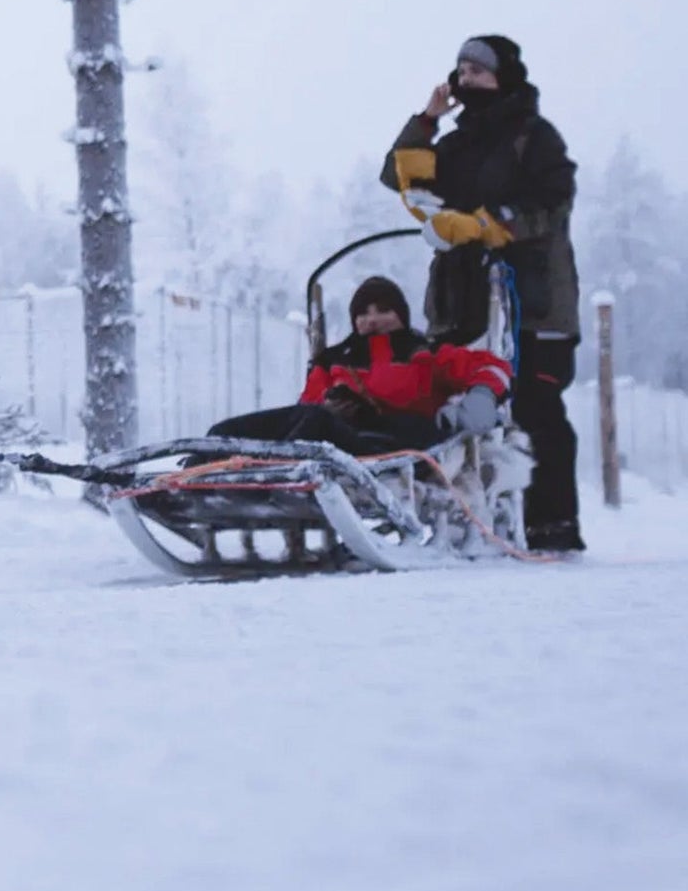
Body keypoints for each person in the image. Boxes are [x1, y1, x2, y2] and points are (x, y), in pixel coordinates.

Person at [380, 34, 583, 551]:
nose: (467, 79)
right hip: (461, 304)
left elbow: (554, 201)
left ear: (505, 77)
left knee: (534, 409)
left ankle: (551, 528)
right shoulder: (455, 145)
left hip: (531, 303)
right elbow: (401, 179)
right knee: (455, 408)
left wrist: (488, 226)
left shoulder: (534, 138)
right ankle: (466, 521)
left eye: (478, 70)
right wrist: (427, 119)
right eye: (461, 70)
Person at [210, 276, 510, 457]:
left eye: (383, 310)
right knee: (224, 431)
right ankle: (195, 482)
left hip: (397, 447)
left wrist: (482, 394)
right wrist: (331, 407)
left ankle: (267, 478)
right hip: (328, 437)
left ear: (401, 315)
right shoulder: (333, 360)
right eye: (363, 313)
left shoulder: (426, 352)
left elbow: (490, 366)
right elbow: (307, 405)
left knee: (315, 420)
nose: (373, 319)